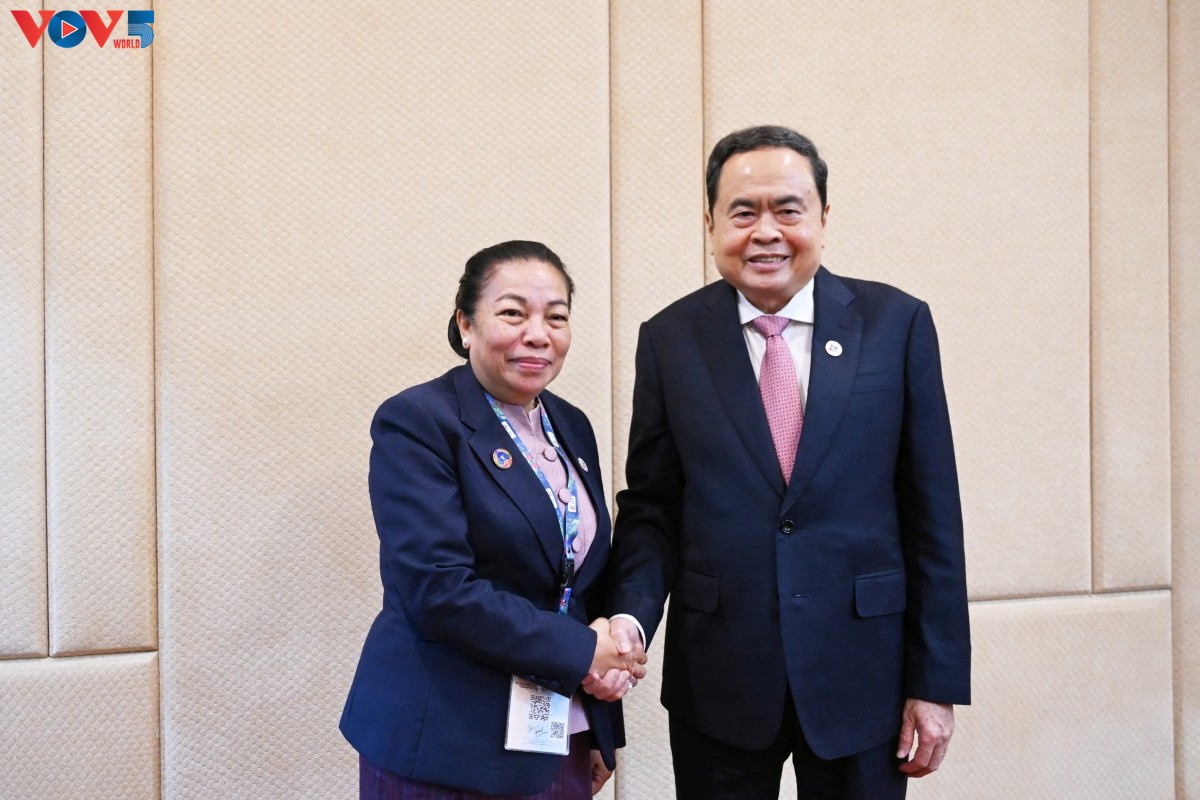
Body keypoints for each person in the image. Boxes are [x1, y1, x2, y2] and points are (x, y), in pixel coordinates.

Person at [604, 126, 971, 799]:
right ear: (711, 224)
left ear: (824, 218)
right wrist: (629, 616)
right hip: (719, 678)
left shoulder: (895, 324)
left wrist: (936, 681)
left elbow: (933, 513)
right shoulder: (670, 339)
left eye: (788, 210)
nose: (766, 232)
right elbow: (653, 506)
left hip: (865, 677)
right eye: (743, 212)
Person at [341, 240, 644, 799]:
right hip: (444, 743)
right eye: (512, 313)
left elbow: (575, 579)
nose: (538, 334)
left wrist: (601, 715)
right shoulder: (419, 421)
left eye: (557, 317)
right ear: (466, 324)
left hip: (556, 736)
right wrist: (583, 650)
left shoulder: (571, 424)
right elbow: (437, 590)